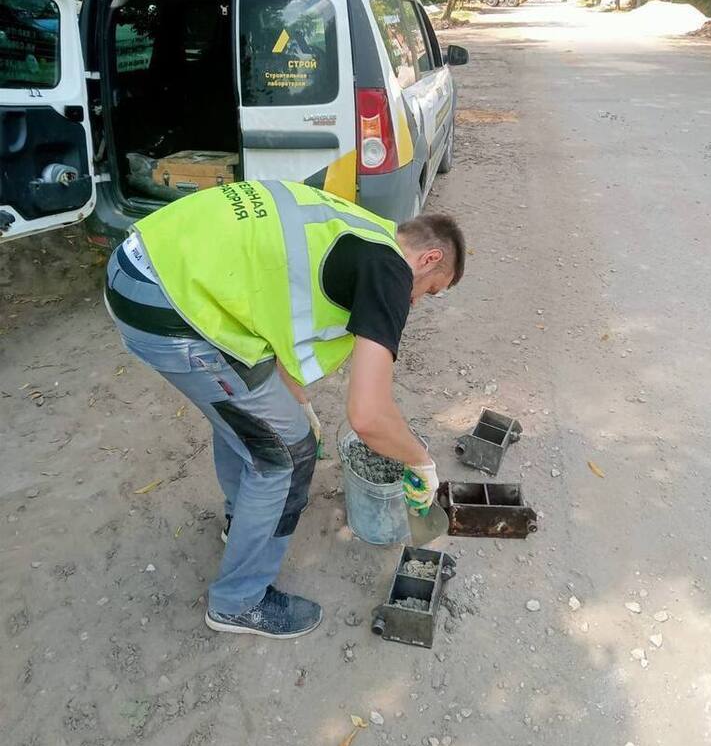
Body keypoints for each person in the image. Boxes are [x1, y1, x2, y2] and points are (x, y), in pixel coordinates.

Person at [104, 179, 465, 639]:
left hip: (138, 263)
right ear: (429, 259)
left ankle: (242, 526)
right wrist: (420, 459)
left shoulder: (356, 231)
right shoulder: (390, 270)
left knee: (251, 421)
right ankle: (238, 603)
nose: (415, 302)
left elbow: (276, 312)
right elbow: (369, 416)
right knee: (286, 454)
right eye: (429, 291)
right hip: (167, 305)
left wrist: (298, 402)